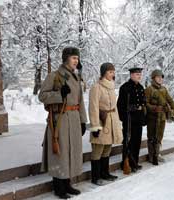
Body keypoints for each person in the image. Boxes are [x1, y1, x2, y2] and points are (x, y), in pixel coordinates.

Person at [39, 47, 87, 199]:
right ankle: (58, 187)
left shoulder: (76, 77)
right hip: (59, 119)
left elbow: (80, 101)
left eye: (77, 58)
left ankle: (67, 184)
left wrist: (83, 120)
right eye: (73, 58)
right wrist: (59, 94)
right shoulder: (54, 76)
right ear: (66, 59)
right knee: (60, 153)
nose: (76, 61)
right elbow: (42, 96)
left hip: (73, 118)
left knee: (71, 152)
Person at [89, 63, 123, 185]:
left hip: (111, 121)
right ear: (103, 73)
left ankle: (105, 173)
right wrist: (95, 125)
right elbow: (93, 108)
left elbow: (114, 107)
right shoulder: (96, 87)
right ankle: (95, 177)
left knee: (107, 149)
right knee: (98, 150)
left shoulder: (111, 87)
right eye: (110, 72)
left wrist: (117, 123)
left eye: (113, 72)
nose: (112, 74)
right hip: (101, 122)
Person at [145, 69, 174, 165]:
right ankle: (151, 155)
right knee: (151, 136)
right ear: (153, 78)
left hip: (162, 117)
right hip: (152, 117)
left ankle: (157, 153)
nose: (160, 79)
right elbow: (145, 103)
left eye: (161, 77)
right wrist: (154, 108)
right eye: (158, 77)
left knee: (159, 136)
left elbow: (170, 101)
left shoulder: (164, 89)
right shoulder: (149, 89)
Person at [117, 67, 147, 173]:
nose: (139, 76)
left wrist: (144, 118)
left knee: (137, 141)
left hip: (138, 118)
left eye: (140, 74)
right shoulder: (125, 88)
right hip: (129, 119)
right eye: (137, 74)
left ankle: (135, 162)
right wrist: (124, 117)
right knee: (128, 141)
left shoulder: (141, 87)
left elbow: (143, 104)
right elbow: (120, 105)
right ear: (131, 75)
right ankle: (126, 163)